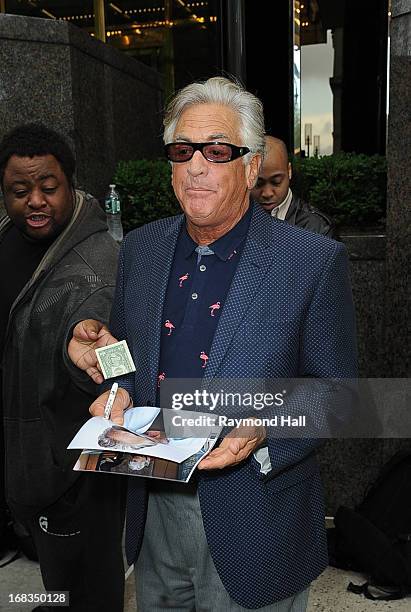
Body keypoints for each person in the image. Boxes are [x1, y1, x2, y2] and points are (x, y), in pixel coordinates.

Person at [70, 77, 357, 611]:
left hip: (255, 516)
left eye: (216, 151)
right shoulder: (141, 248)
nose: (196, 166)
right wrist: (108, 376)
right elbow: (129, 360)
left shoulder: (311, 261)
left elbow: (337, 395)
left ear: (250, 167)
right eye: (183, 151)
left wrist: (265, 426)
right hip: (153, 507)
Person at [0, 124, 125, 612]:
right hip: (26, 450)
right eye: (19, 190)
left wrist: (100, 362)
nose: (35, 201)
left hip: (74, 465)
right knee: (55, 580)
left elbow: (118, 355)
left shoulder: (101, 263)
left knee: (89, 586)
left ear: (69, 184)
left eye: (48, 188)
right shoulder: (10, 236)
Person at [251, 135, 335, 237]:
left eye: (276, 182)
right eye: (258, 184)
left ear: (289, 171)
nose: (267, 193)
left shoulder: (318, 227)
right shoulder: (234, 219)